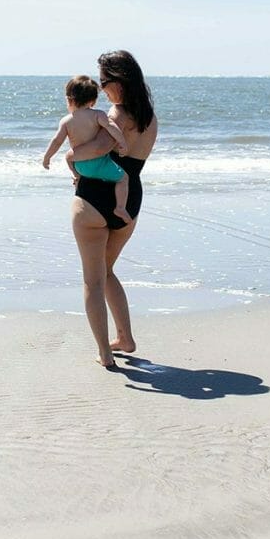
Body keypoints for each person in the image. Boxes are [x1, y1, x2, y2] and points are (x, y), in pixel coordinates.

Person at [68, 51, 158, 369]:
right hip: (129, 200)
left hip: (94, 198)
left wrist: (69, 154)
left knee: (93, 280)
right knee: (106, 272)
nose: (102, 89)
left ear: (119, 82)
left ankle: (105, 354)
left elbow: (98, 150)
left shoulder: (115, 115)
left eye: (105, 82)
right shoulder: (149, 118)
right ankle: (125, 338)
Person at [42, 75, 131, 223]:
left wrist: (47, 157)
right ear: (93, 101)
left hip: (81, 167)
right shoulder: (98, 115)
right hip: (99, 164)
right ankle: (120, 208)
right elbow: (112, 127)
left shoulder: (66, 121)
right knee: (123, 178)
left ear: (69, 100)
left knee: (68, 158)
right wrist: (122, 143)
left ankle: (76, 176)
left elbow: (57, 141)